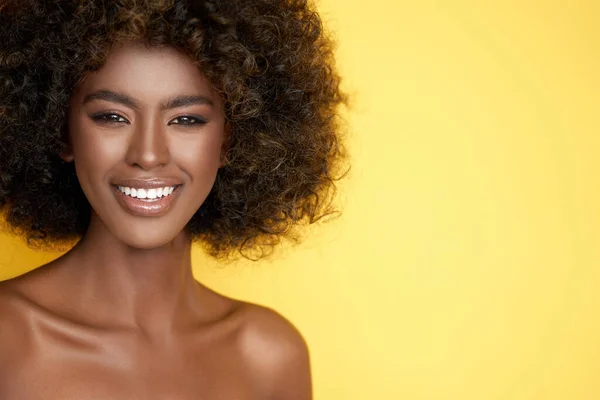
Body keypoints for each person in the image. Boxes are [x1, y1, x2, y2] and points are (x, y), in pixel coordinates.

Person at [0, 0, 348, 398]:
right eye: (112, 116)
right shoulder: (7, 341)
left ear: (230, 141)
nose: (148, 154)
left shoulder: (269, 356)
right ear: (61, 131)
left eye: (187, 120)